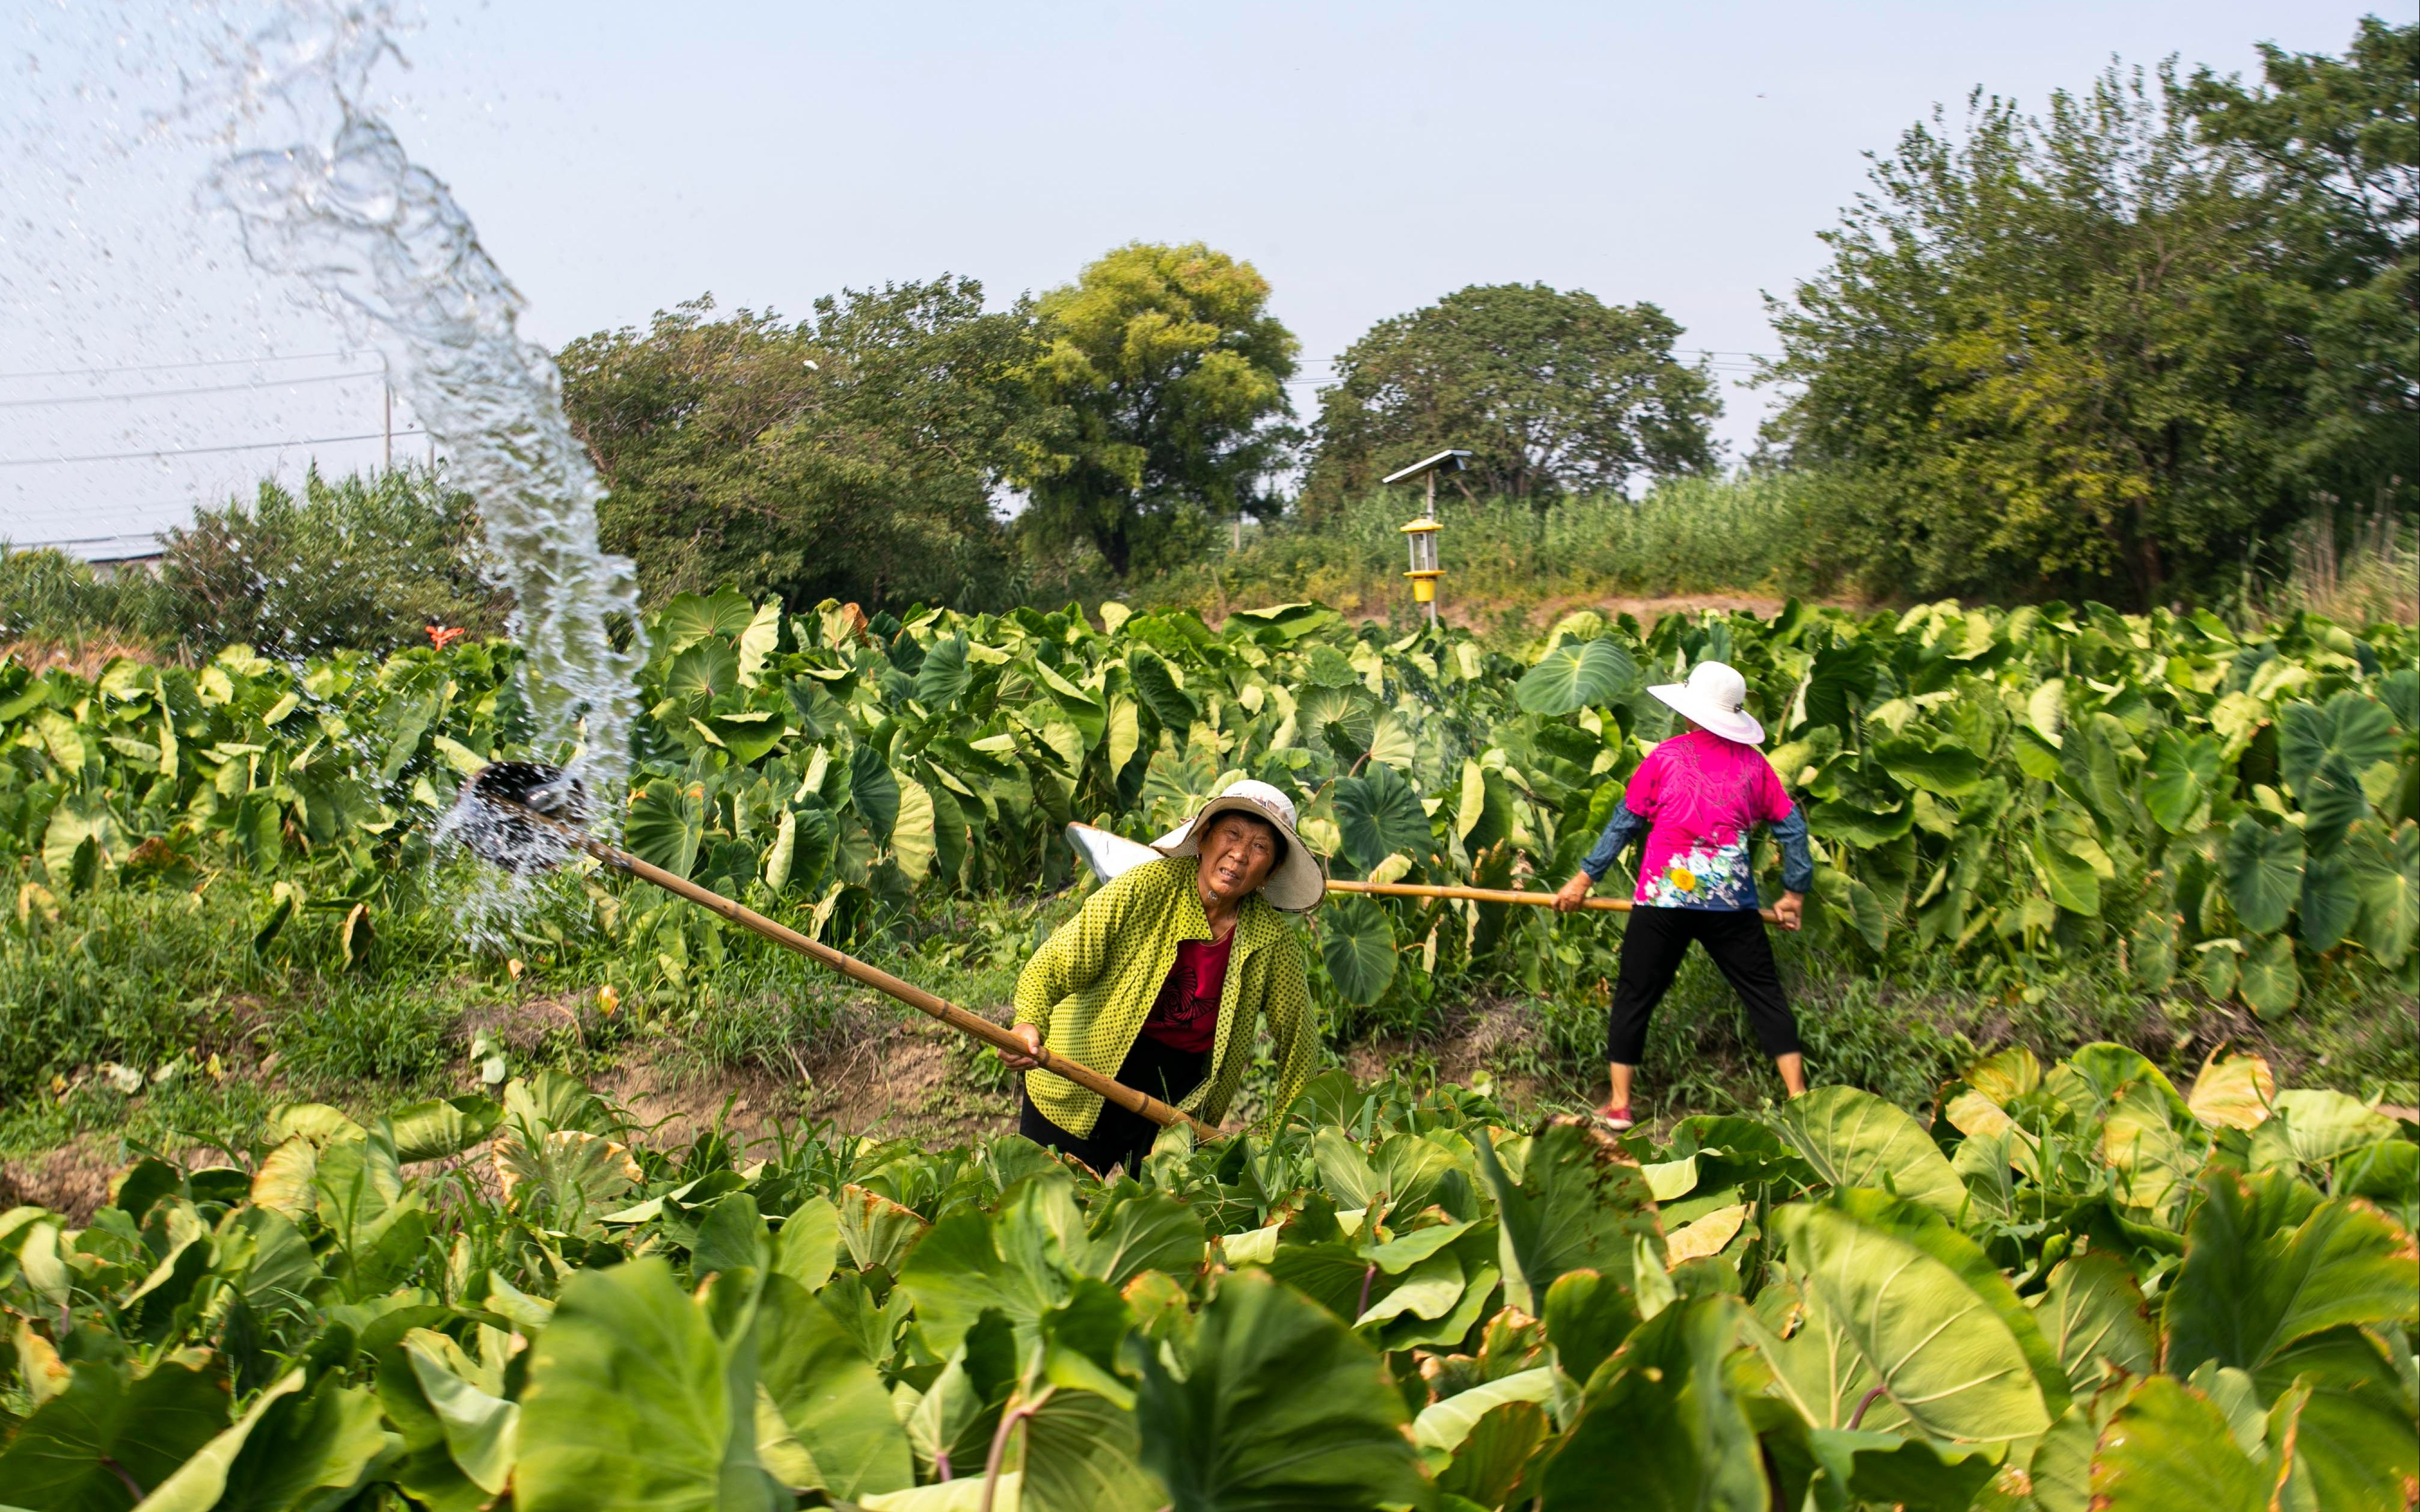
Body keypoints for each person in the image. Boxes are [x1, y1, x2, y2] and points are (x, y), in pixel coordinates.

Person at [1002, 780, 1325, 1177]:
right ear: (1203, 837)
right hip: (1083, 1069)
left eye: (1259, 847)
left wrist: (1287, 1140)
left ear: (1269, 871)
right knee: (1047, 1210)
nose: (1240, 854)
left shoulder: (1271, 941)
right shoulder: (1146, 887)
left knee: (1145, 1225)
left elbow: (1300, 1043)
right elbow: (1051, 964)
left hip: (1177, 1098)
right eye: (1233, 834)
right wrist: (1028, 1021)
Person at [1552, 660, 1815, 1130]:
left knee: (1635, 994)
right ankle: (1801, 1100)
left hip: (1663, 899)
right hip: (1730, 903)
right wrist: (1794, 892)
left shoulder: (1666, 757)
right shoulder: (1755, 766)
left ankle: (1619, 1106)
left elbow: (1625, 822)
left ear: (1691, 712)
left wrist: (1583, 879)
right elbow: (1791, 827)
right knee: (1764, 995)